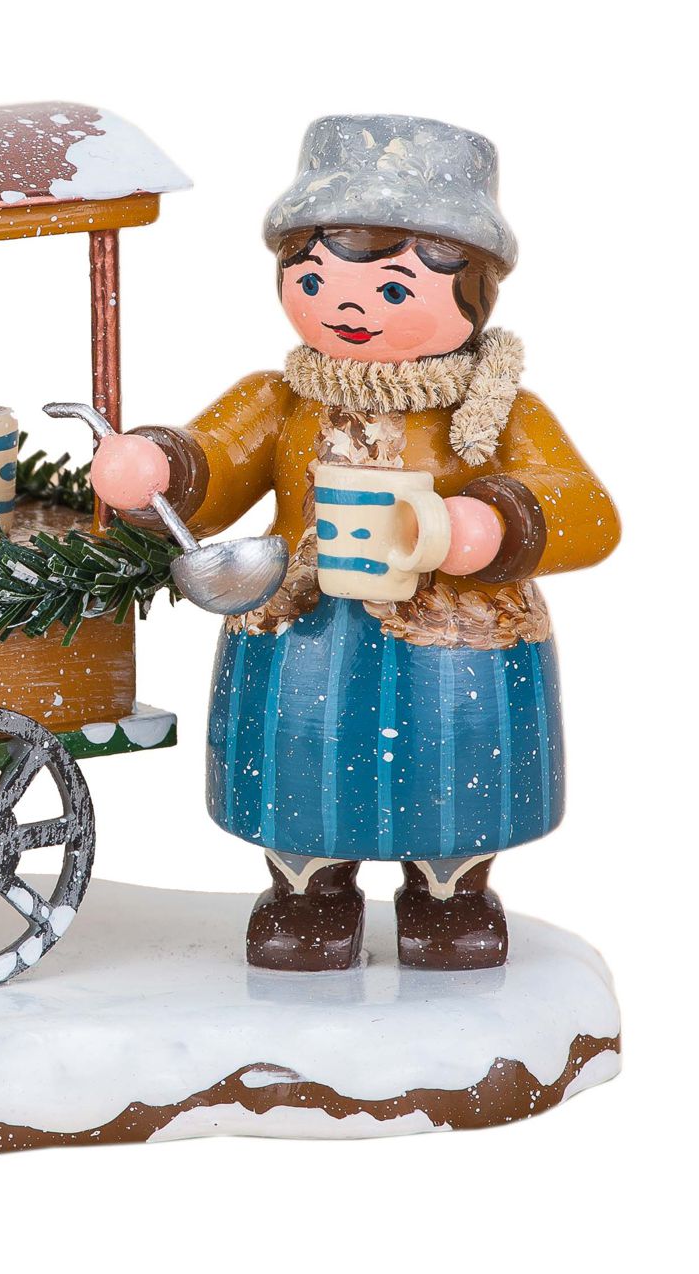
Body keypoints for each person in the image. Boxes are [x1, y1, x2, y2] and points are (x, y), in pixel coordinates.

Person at [91, 114, 619, 970]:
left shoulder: (498, 412)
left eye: (394, 290)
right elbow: (218, 458)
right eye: (314, 277)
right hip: (305, 632)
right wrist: (160, 466)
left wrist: (487, 525)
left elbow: (589, 510)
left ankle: (449, 894)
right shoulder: (279, 400)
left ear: (476, 291)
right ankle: (308, 892)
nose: (346, 304)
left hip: (454, 646)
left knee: (450, 780)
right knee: (303, 775)